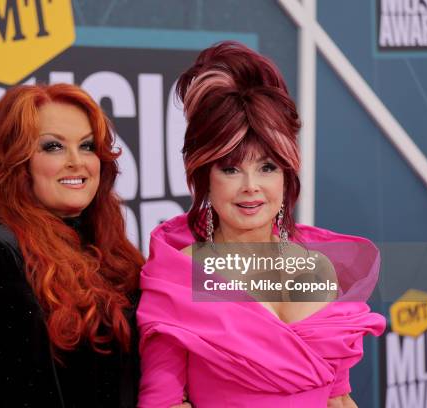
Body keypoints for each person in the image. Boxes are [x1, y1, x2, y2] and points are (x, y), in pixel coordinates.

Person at [137, 41, 386, 407]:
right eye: (231, 168)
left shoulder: (318, 268)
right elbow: (164, 402)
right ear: (204, 175)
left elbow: (338, 397)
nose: (251, 186)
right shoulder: (179, 275)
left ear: (286, 174)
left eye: (267, 167)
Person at [0, 83, 144, 407]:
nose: (77, 161)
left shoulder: (111, 250)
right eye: (53, 147)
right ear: (19, 162)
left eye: (87, 146)